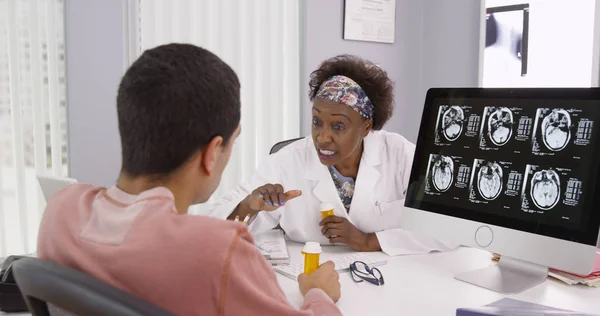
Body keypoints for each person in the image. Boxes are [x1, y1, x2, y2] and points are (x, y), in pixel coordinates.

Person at [37, 44, 342, 316]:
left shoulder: (61, 210)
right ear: (211, 153)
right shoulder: (219, 252)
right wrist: (319, 294)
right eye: (232, 142)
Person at [209, 55, 456, 256]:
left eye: (338, 126)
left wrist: (370, 241)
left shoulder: (398, 154)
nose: (322, 137)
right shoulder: (287, 162)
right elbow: (213, 231)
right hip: (311, 281)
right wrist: (249, 206)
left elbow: (451, 226)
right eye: (317, 121)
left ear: (366, 127)